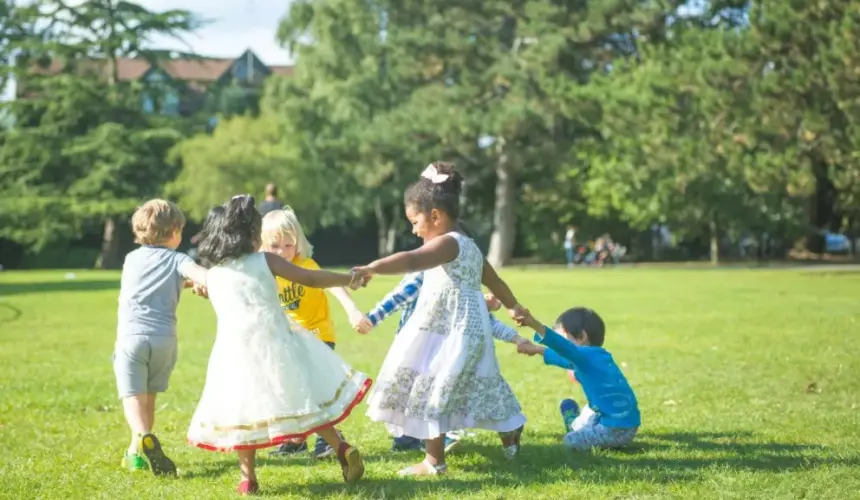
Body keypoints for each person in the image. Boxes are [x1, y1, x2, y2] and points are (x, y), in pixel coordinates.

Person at [352, 162, 530, 476]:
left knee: (433, 386)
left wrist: (373, 267)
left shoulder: (446, 244)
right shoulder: (470, 246)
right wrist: (513, 305)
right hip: (468, 330)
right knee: (478, 383)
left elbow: (412, 259)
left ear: (436, 216)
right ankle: (510, 430)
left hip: (450, 332)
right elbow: (496, 282)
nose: (413, 230)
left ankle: (434, 462)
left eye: (415, 221)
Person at [186, 195, 371, 495]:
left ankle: (248, 477)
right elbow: (310, 278)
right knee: (304, 399)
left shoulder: (215, 274)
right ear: (250, 235)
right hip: (278, 344)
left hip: (234, 353)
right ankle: (341, 447)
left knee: (243, 411)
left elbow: (209, 287)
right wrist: (348, 278)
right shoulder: (265, 260)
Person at [356, 275, 533, 457]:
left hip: (430, 348)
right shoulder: (445, 275)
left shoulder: (439, 274)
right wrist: (371, 319)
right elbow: (399, 296)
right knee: (419, 392)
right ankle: (413, 438)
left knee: (430, 392)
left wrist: (371, 319)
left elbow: (399, 296)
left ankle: (436, 438)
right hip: (433, 346)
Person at [259, 207, 366, 460]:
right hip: (289, 340)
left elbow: (333, 286)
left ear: (298, 243)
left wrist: (352, 310)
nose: (282, 252)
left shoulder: (306, 265)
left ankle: (328, 441)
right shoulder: (266, 272)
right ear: (262, 245)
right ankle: (295, 441)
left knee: (315, 390)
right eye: (274, 246)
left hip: (318, 336)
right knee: (291, 388)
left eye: (288, 245)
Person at [113, 199, 208, 476]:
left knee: (132, 395)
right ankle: (135, 451)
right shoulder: (179, 259)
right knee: (150, 395)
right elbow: (200, 276)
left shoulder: (131, 259)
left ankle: (142, 434)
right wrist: (203, 283)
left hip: (132, 337)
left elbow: (150, 280)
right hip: (164, 340)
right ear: (176, 230)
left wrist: (190, 283)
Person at [516, 307, 640, 451]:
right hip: (628, 425)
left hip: (613, 430)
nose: (562, 347)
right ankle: (580, 426)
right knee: (589, 411)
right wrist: (537, 350)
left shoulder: (583, 356)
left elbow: (561, 348)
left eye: (564, 339)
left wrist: (533, 323)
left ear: (581, 337)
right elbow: (564, 359)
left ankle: (573, 426)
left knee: (570, 440)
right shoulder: (599, 355)